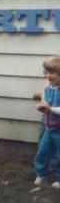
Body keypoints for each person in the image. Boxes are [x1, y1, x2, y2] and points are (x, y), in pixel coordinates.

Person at [34, 56, 60, 189]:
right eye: (47, 72)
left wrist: (51, 109)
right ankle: (41, 174)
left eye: (52, 73)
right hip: (48, 127)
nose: (48, 76)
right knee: (43, 151)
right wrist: (41, 107)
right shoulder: (48, 88)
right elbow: (44, 102)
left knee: (59, 154)